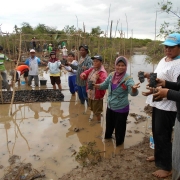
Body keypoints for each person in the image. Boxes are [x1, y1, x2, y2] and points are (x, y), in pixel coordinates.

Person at [141, 33, 180, 178]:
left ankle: (166, 166)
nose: (168, 50)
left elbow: (177, 87)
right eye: (166, 47)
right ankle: (159, 156)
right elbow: (161, 78)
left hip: (169, 105)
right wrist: (150, 78)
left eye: (172, 47)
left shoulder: (179, 64)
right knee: (157, 132)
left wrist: (164, 90)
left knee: (164, 134)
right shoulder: (164, 59)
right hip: (158, 101)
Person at [95, 56, 139, 146]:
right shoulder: (111, 75)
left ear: (126, 66)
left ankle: (119, 147)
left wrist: (134, 89)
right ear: (115, 65)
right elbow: (104, 85)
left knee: (120, 130)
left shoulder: (128, 79)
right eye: (118, 65)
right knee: (109, 127)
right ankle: (107, 143)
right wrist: (97, 86)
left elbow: (133, 93)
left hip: (121, 108)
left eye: (123, 65)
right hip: (110, 106)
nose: (120, 67)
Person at [153, 74, 180, 180]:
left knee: (176, 153)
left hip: (169, 109)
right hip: (177, 115)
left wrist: (168, 93)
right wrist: (165, 83)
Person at [80, 55, 107, 121]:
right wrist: (83, 75)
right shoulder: (92, 69)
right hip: (90, 93)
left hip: (97, 95)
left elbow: (105, 83)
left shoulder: (103, 72)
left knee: (97, 110)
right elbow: (85, 73)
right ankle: (96, 116)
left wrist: (99, 78)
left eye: (97, 61)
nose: (94, 62)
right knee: (92, 107)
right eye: (94, 61)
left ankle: (98, 122)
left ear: (101, 62)